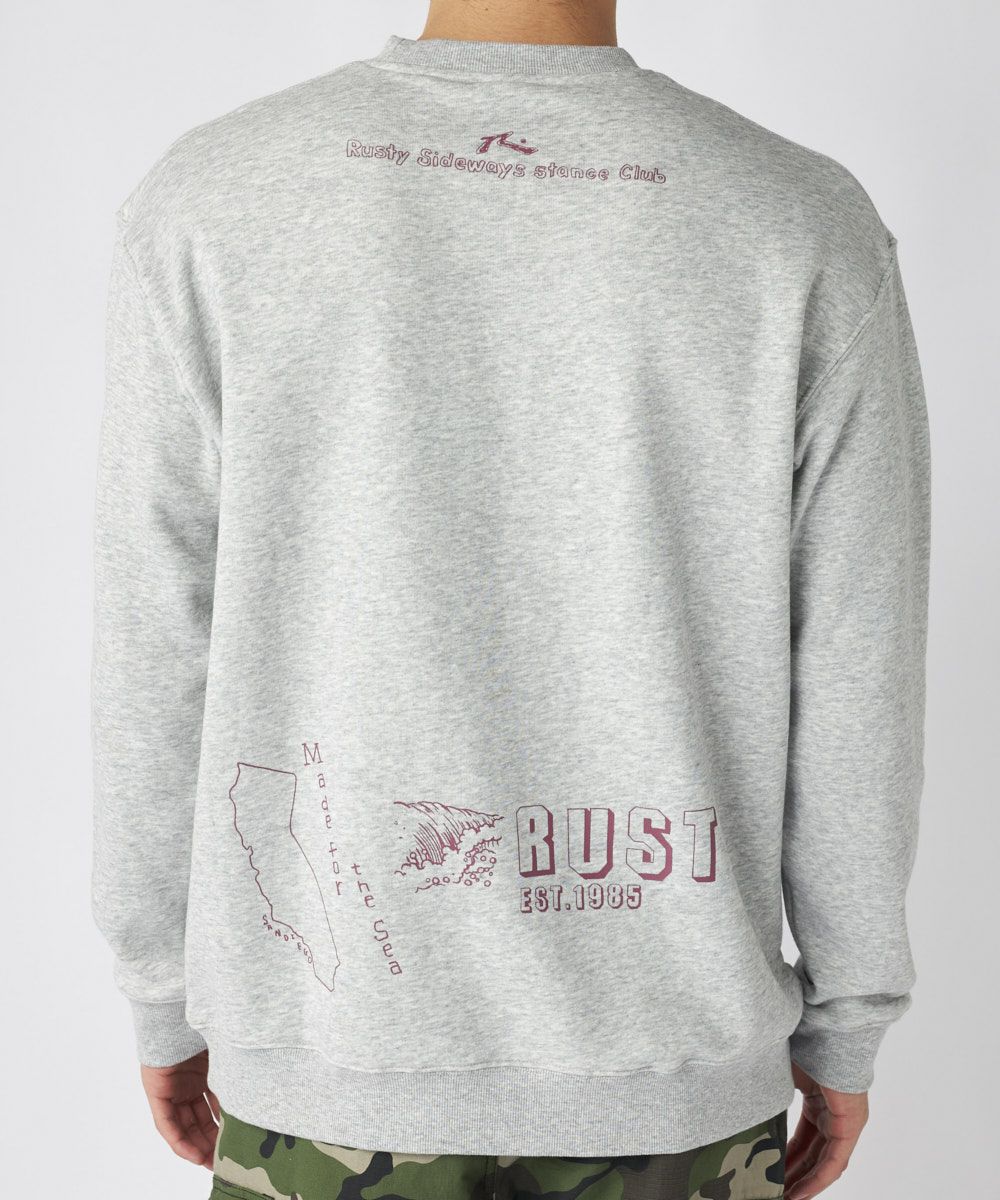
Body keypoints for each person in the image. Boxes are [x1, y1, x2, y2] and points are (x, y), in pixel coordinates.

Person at [89, 0, 931, 1197]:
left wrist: (164, 994)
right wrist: (846, 1020)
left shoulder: (212, 197)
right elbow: (856, 665)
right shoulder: (797, 220)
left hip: (325, 1070)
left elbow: (153, 639)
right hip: (672, 1085)